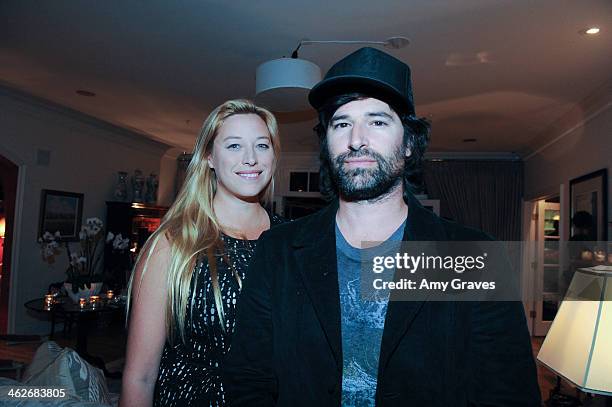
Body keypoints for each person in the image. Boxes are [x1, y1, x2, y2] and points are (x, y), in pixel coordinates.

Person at [223, 48, 540, 406]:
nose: (356, 139)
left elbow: (509, 394)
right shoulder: (278, 250)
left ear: (408, 143)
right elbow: (248, 379)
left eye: (377, 121)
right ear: (327, 144)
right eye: (341, 123)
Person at [120, 99, 284, 407]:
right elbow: (139, 377)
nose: (251, 158)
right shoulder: (172, 245)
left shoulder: (292, 243)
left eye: (262, 145)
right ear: (209, 156)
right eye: (234, 146)